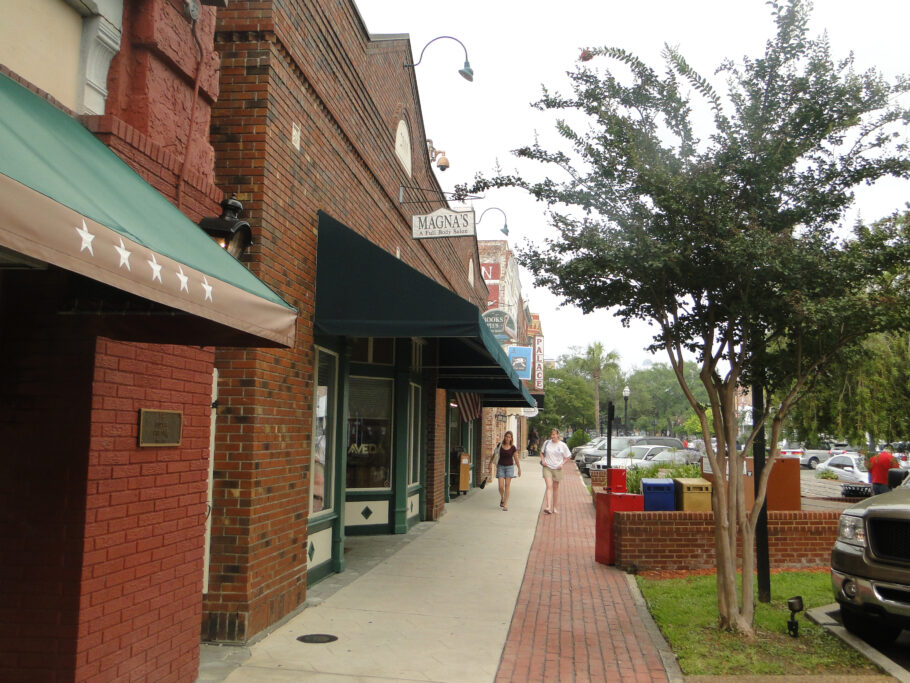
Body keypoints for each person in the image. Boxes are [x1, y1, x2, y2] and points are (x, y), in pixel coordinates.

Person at [540, 428, 572, 514]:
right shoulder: (547, 443)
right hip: (547, 467)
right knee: (549, 486)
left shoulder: (562, 445)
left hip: (558, 468)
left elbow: (568, 456)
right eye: (551, 434)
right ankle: (548, 506)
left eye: (554, 434)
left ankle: (555, 507)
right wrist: (543, 461)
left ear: (558, 435)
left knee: (555, 488)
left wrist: (562, 463)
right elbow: (541, 452)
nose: (552, 436)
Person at [490, 431, 521, 510]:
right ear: (504, 437)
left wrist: (519, 469)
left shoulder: (513, 447)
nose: (507, 438)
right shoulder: (500, 445)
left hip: (509, 468)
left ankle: (505, 504)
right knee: (500, 486)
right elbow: (494, 454)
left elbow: (516, 458)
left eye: (509, 437)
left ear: (511, 438)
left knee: (507, 485)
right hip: (500, 467)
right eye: (506, 436)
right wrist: (490, 463)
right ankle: (502, 497)